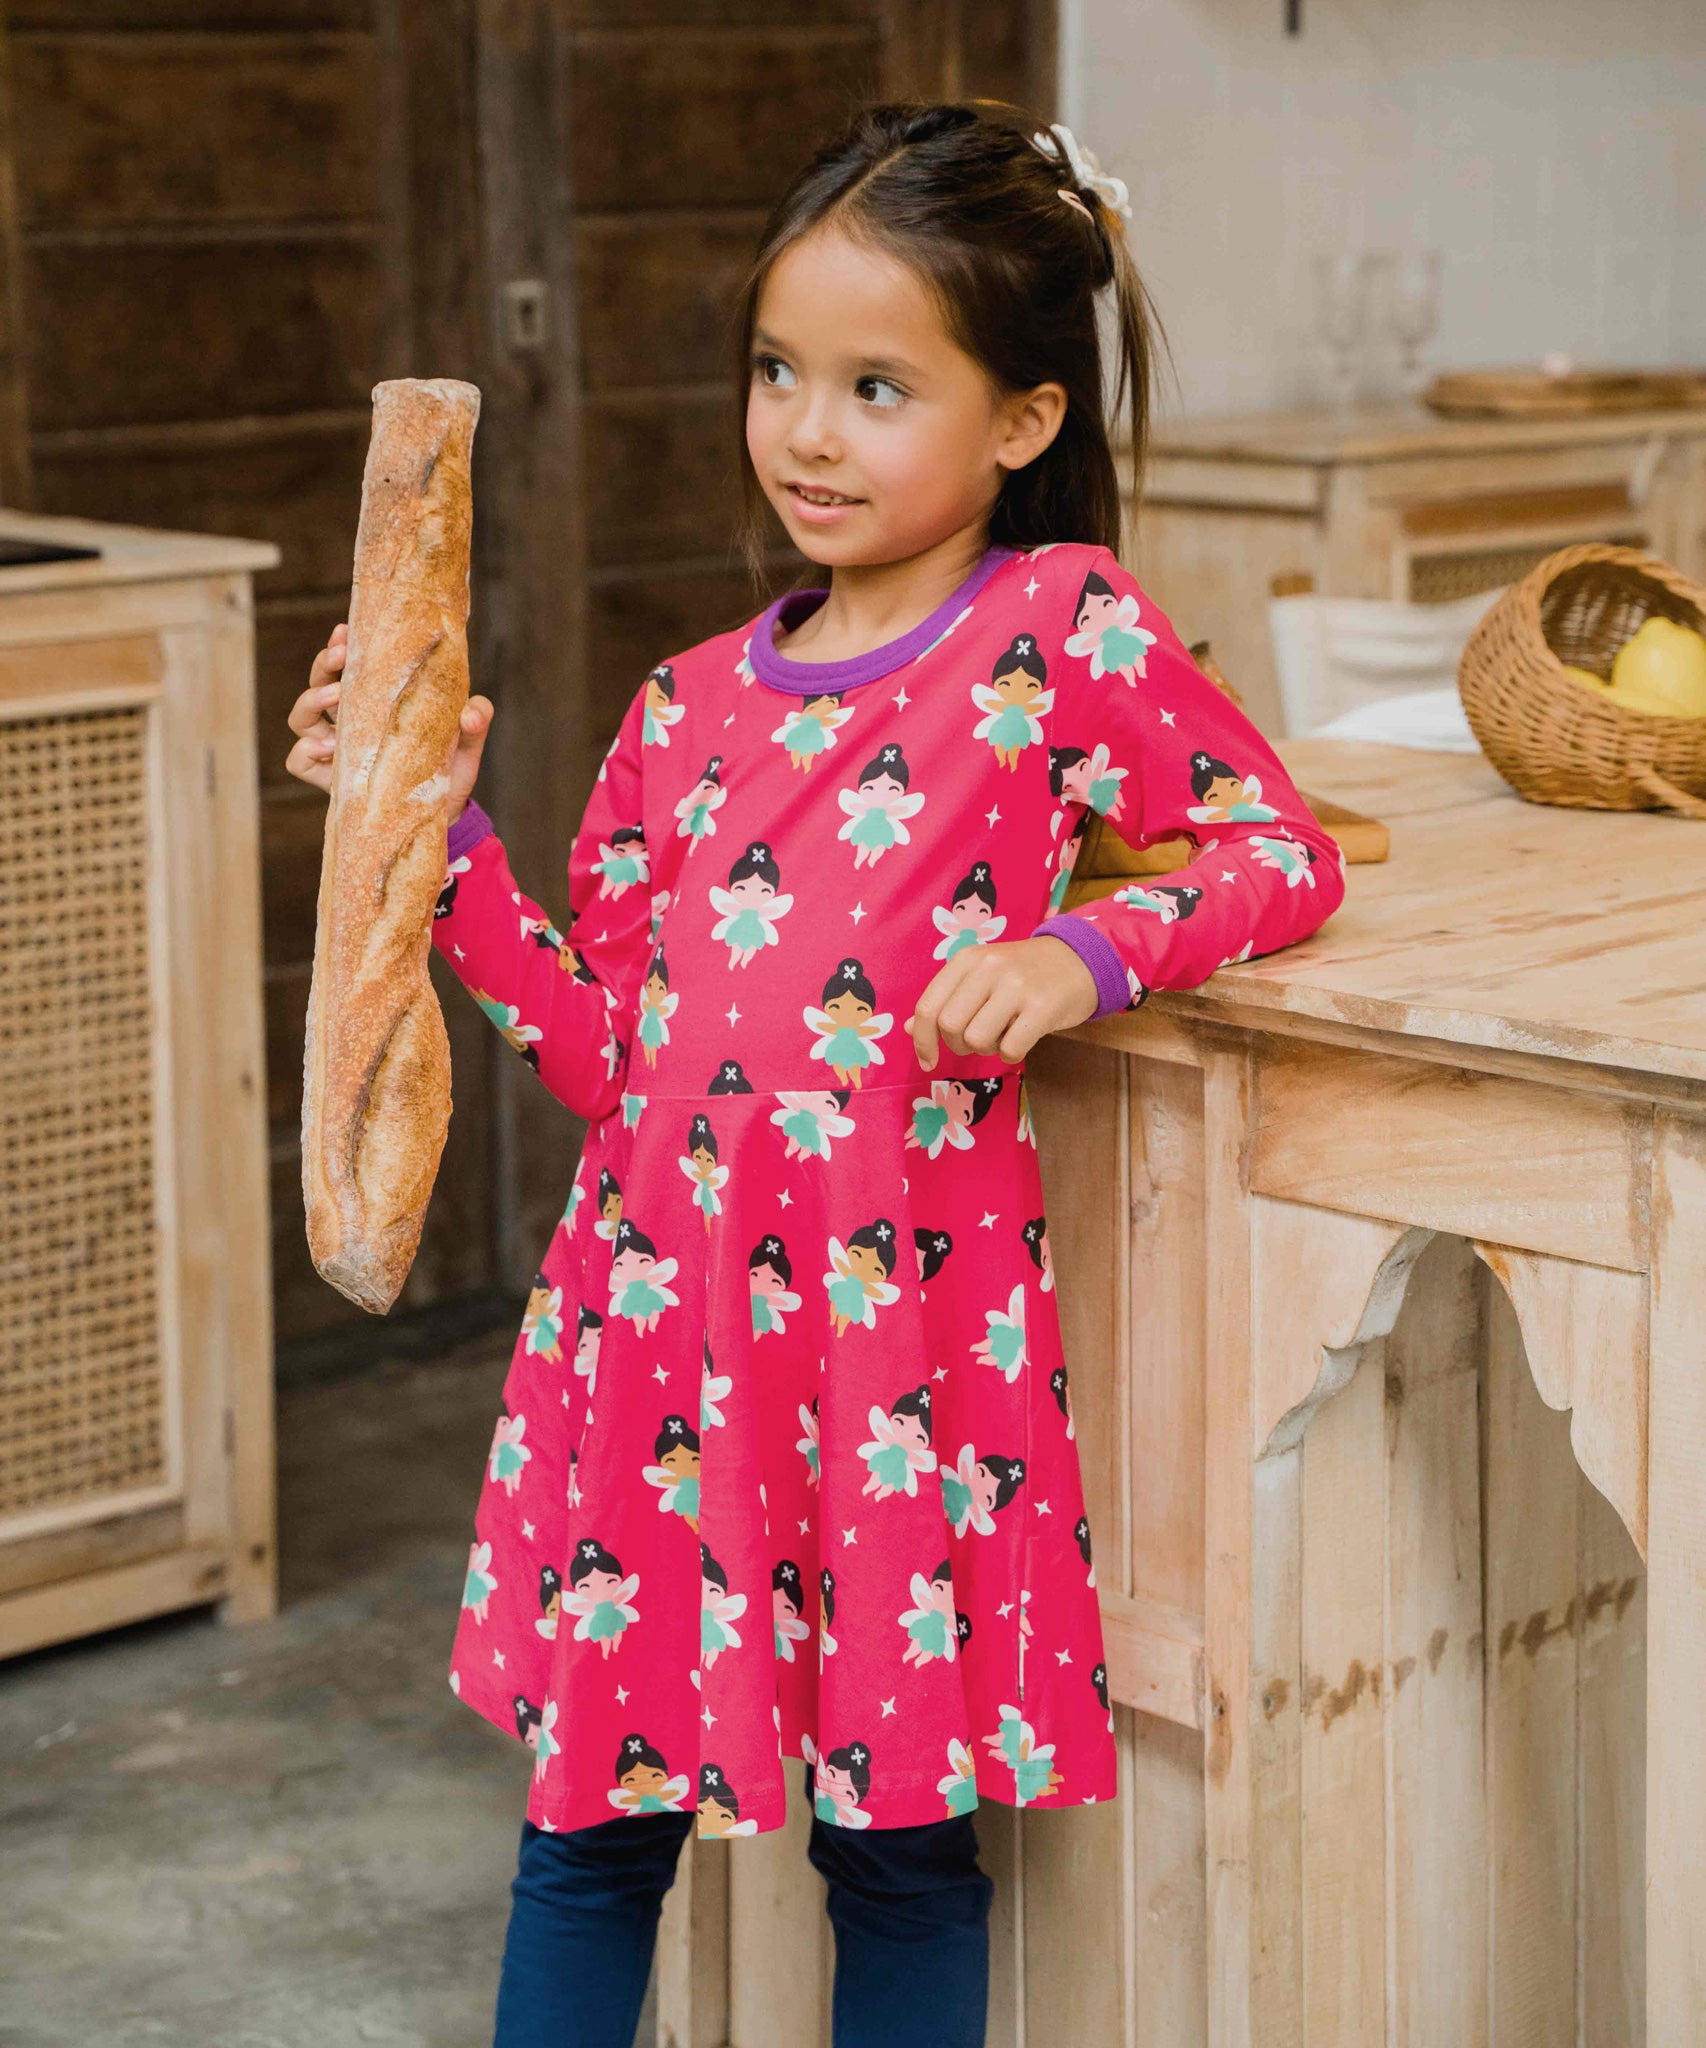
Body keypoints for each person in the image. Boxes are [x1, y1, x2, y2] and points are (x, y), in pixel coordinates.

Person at [285, 98, 1346, 2048]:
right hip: (651, 1345)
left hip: (894, 1383)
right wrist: (424, 833)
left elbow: (1273, 852)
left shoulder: (1054, 632)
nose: (806, 430)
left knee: (900, 1855)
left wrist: (1079, 945)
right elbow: (611, 1059)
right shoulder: (680, 708)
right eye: (779, 373)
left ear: (1021, 419)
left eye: (876, 385)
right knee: (587, 1830)